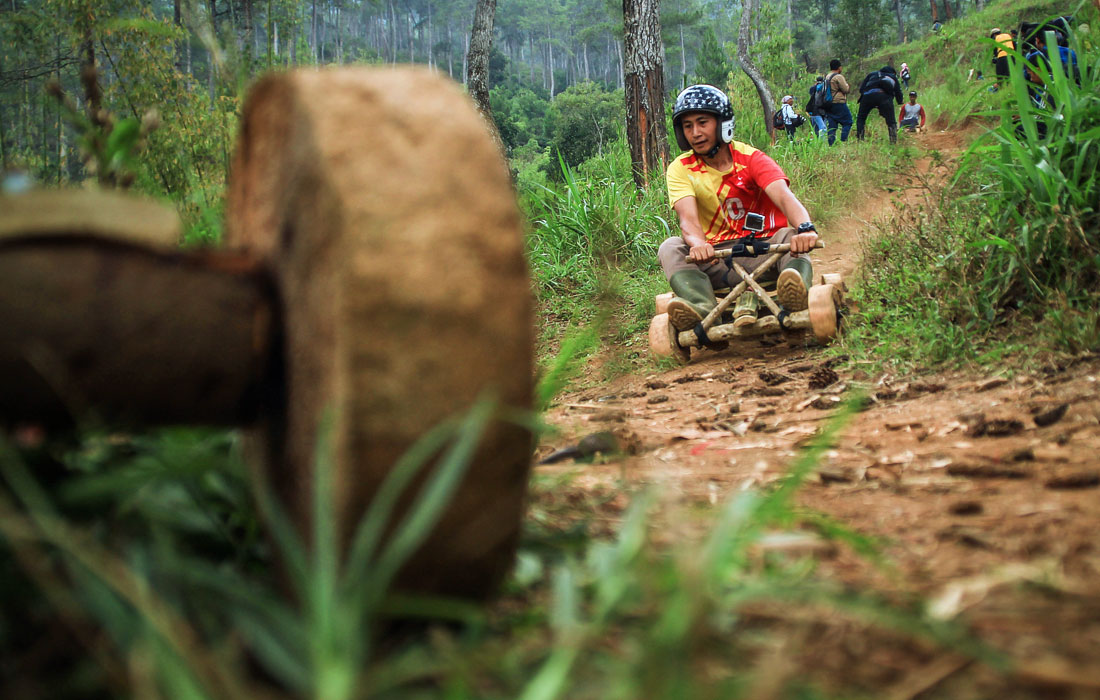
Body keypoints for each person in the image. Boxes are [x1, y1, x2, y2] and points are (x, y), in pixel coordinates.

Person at [658, 85, 819, 336]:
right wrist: (698, 244)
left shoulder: (751, 158)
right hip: (716, 260)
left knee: (790, 234)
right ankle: (701, 307)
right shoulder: (681, 168)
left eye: (703, 122)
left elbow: (785, 198)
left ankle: (794, 290)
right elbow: (687, 219)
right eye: (688, 126)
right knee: (670, 247)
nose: (695, 133)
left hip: (766, 253)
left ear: (723, 123)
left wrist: (806, 228)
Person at [856, 65, 904, 144]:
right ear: (893, 72)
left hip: (867, 96)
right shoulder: (892, 76)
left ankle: (860, 140)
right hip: (884, 97)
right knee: (891, 121)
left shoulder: (872, 74)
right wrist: (900, 101)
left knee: (861, 118)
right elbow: (898, 92)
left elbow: (861, 89)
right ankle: (893, 142)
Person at [823, 59, 853, 145]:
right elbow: (846, 89)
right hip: (838, 102)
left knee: (832, 124)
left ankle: (831, 143)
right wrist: (848, 85)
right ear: (839, 67)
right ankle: (843, 141)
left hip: (828, 103)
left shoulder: (827, 76)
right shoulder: (838, 77)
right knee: (848, 121)